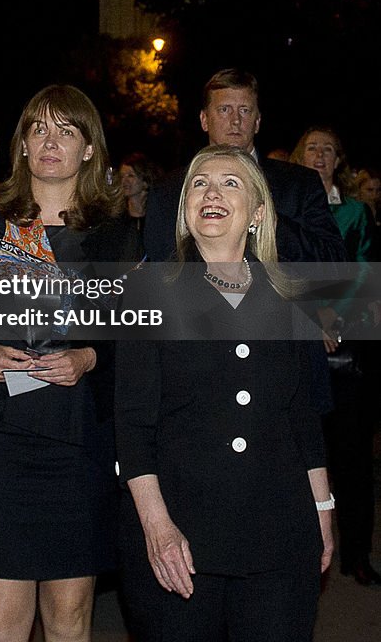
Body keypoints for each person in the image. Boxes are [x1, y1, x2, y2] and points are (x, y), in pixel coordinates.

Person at [0, 85, 137, 642]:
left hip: (80, 440)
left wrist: (89, 355)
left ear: (89, 149)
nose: (51, 142)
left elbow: (140, 330)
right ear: (22, 145)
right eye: (39, 129)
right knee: (0, 620)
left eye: (66, 130)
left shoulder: (117, 234)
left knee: (69, 617)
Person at [115, 145, 334, 642]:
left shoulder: (292, 294)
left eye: (230, 183)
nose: (211, 192)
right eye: (199, 183)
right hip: (181, 536)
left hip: (279, 533)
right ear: (185, 209)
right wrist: (158, 528)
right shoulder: (149, 291)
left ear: (258, 212)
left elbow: (302, 415)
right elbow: (131, 423)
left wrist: (322, 511)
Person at [290, 126, 381, 586]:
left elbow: (364, 273)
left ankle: (357, 554)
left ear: (338, 159)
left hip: (346, 355)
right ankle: (303, 551)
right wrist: (312, 317)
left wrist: (334, 320)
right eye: (313, 147)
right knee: (302, 455)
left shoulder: (355, 212)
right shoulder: (282, 209)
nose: (320, 155)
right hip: (295, 349)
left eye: (329, 148)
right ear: (298, 156)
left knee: (352, 460)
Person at [143, 69, 347, 265]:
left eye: (244, 110)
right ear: (204, 120)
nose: (235, 120)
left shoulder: (300, 184)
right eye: (224, 110)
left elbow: (335, 262)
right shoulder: (168, 190)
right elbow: (162, 270)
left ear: (257, 122)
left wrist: (272, 225)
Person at [118, 151, 162, 261]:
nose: (124, 181)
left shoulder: (158, 217)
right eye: (122, 176)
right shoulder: (116, 218)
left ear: (145, 181)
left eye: (130, 176)